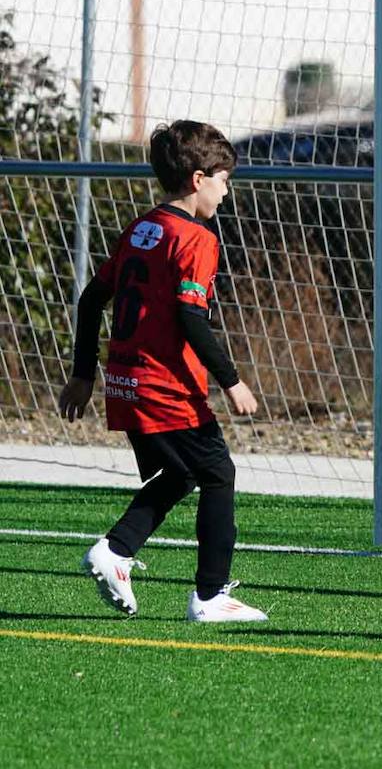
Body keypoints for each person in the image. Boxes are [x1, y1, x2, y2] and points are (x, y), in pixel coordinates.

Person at [57, 120, 267, 623]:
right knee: (218, 474)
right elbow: (191, 316)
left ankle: (118, 550)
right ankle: (209, 596)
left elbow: (91, 300)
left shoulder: (141, 228)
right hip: (166, 387)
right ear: (198, 179)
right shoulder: (196, 239)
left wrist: (84, 374)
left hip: (125, 382)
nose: (225, 191)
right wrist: (231, 381)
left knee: (179, 474)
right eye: (223, 180)